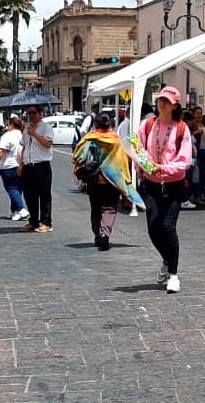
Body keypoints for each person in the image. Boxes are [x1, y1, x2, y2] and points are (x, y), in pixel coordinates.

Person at [136, 86, 194, 293]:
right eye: (161, 99)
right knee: (153, 227)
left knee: (168, 226)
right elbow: (138, 148)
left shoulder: (181, 129)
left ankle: (174, 274)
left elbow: (184, 161)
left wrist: (164, 168)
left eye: (167, 101)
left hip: (174, 184)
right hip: (151, 184)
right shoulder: (148, 124)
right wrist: (140, 166)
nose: (162, 103)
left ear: (175, 105)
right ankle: (167, 259)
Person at [73, 112, 140, 251]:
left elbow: (78, 156)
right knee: (109, 208)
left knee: (96, 208)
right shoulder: (117, 140)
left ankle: (97, 233)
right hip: (112, 180)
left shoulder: (90, 138)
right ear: (110, 124)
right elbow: (123, 161)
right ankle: (105, 233)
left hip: (94, 180)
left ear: (95, 124)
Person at [19, 105, 55, 232]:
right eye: (29, 113)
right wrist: (20, 164)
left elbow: (47, 144)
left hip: (42, 165)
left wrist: (34, 134)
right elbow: (24, 147)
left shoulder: (46, 128)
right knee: (29, 195)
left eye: (34, 113)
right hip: (28, 165)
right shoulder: (26, 129)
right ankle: (33, 221)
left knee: (44, 195)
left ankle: (46, 222)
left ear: (41, 113)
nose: (31, 115)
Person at [0, 116, 28, 221]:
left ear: (11, 125)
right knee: (17, 189)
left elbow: (2, 150)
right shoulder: (22, 135)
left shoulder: (7, 136)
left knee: (11, 189)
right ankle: (15, 212)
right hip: (20, 164)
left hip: (8, 165)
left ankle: (21, 209)